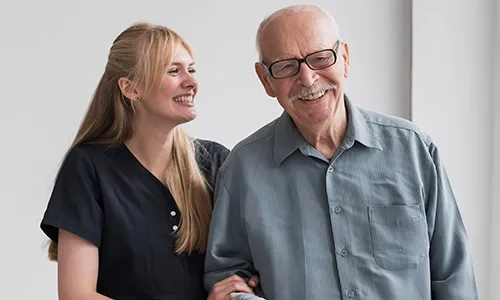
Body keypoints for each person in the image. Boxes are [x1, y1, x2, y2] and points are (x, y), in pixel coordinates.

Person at [204, 5, 478, 300]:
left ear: (344, 58)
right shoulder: (242, 168)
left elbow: (454, 278)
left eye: (321, 58)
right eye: (286, 66)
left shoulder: (414, 150)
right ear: (266, 80)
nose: (308, 79)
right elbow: (227, 275)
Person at [39, 22, 258, 300]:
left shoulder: (215, 163)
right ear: (131, 89)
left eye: (191, 69)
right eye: (173, 70)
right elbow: (76, 295)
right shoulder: (89, 168)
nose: (192, 82)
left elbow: (249, 266)